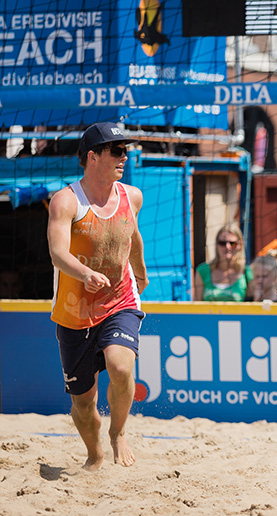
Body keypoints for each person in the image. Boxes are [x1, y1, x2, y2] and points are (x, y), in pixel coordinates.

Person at [47, 122, 148, 471]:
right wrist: (85, 273)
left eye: (126, 150)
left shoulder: (130, 196)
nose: (125, 156)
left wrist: (141, 272)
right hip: (74, 310)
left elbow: (132, 238)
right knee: (83, 403)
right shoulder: (65, 200)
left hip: (120, 299)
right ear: (92, 156)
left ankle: (118, 433)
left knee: (121, 367)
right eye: (117, 151)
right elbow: (57, 253)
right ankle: (94, 454)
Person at [194, 223, 252, 302]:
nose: (227, 247)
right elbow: (196, 307)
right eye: (222, 243)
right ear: (216, 244)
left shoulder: (247, 273)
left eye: (232, 243)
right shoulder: (202, 271)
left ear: (240, 245)